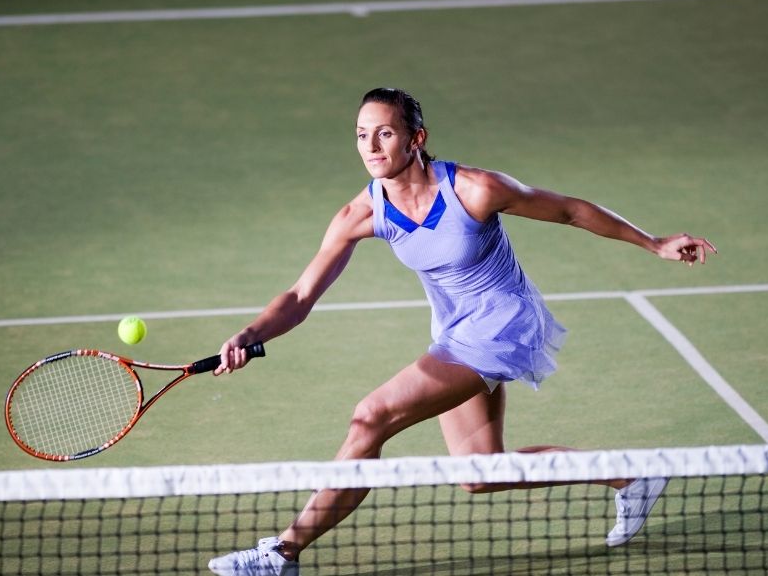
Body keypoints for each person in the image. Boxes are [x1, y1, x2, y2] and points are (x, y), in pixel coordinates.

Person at [208, 87, 716, 576]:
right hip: (454, 334)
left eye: (384, 133)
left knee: (370, 418)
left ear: (416, 139)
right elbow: (300, 297)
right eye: (362, 135)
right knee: (478, 472)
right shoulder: (362, 213)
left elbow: (568, 209)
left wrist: (653, 243)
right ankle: (632, 475)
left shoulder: (473, 189)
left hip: (502, 325)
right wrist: (251, 336)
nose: (371, 147)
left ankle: (282, 553)